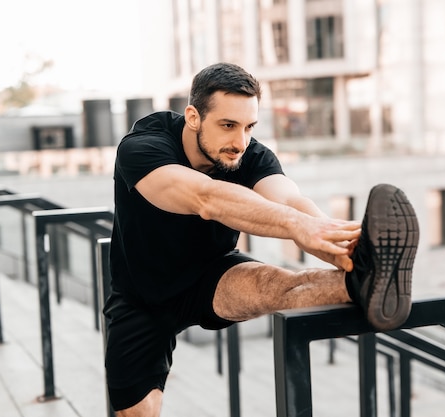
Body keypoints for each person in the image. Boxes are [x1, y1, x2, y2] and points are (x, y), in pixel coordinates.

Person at [104, 62, 419, 416]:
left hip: (212, 274)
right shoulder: (144, 146)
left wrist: (343, 245)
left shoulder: (249, 154)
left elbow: (290, 201)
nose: (239, 142)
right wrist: (297, 226)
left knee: (277, 286)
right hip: (140, 296)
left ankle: (365, 278)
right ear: (193, 117)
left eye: (249, 126)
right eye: (227, 126)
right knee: (137, 412)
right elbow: (205, 198)